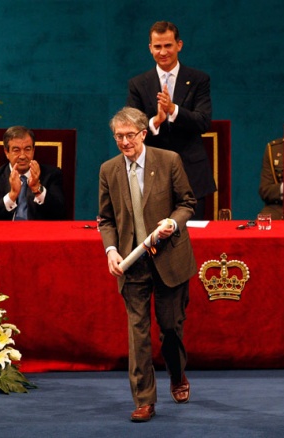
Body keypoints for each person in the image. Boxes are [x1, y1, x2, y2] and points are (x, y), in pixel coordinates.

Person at [98, 107, 197, 423]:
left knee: (170, 330)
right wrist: (111, 250)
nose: (124, 142)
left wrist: (172, 221)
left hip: (169, 259)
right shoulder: (108, 170)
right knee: (137, 334)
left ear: (143, 133)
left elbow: (187, 203)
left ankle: (177, 374)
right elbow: (106, 219)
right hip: (132, 264)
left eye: (130, 135)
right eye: (119, 136)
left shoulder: (168, 161)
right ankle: (144, 400)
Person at [127, 20, 216, 220]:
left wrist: (173, 110)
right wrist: (156, 121)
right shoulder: (138, 84)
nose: (163, 51)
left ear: (179, 45)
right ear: (150, 48)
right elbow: (131, 130)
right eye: (157, 46)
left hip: (192, 175)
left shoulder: (199, 79)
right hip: (152, 175)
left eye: (168, 45)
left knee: (194, 240)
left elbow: (203, 122)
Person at [0, 126, 65, 220]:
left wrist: (37, 189)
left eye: (27, 149)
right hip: (6, 232)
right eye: (16, 150)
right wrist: (12, 195)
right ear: (6, 152)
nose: (22, 156)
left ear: (33, 150)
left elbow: (60, 213)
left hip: (39, 232)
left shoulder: (52, 175)